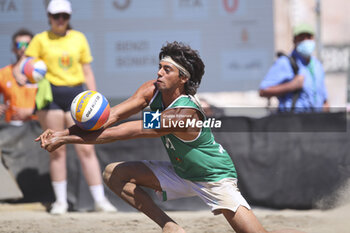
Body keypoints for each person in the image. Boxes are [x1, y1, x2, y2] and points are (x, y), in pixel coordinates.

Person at [37, 41, 303, 233]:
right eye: (160, 67)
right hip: (180, 171)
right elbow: (111, 117)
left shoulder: (184, 113)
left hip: (213, 177)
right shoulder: (151, 90)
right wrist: (60, 132)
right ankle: (170, 226)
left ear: (183, 78)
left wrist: (66, 139)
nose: (159, 73)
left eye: (167, 70)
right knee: (113, 174)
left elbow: (124, 132)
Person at [15, 0, 116, 214]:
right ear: (49, 16)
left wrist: (94, 96)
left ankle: (100, 201)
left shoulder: (78, 38)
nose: (60, 20)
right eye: (56, 16)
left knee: (86, 149)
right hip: (50, 95)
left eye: (64, 16)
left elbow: (87, 71)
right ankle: (60, 201)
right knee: (56, 150)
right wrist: (23, 74)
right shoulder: (40, 39)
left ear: (69, 17)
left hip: (76, 97)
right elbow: (24, 66)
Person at [259, 23, 329, 113]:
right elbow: (263, 91)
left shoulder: (317, 65)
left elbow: (324, 99)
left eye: (308, 37)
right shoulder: (285, 63)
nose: (305, 41)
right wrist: (291, 86)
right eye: (301, 38)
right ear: (294, 40)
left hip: (315, 121)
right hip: (293, 121)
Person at [0, 29, 37, 126]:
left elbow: (55, 101)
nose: (24, 49)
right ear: (13, 49)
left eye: (28, 45)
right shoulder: (4, 73)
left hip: (38, 127)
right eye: (19, 45)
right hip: (11, 129)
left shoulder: (43, 73)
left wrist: (32, 111)